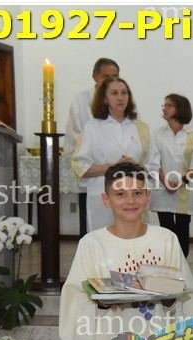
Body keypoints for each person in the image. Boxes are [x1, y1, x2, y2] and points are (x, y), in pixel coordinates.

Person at [56, 162, 193, 340]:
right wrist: (97, 303)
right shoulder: (92, 244)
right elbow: (74, 300)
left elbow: (190, 295)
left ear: (148, 196)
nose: (130, 200)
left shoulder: (166, 240)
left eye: (137, 193)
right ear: (106, 199)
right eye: (120, 194)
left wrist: (171, 301)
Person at [71, 76, 158, 231]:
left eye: (124, 93)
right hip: (103, 197)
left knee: (134, 240)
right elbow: (79, 166)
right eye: (114, 93)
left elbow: (154, 164)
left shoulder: (141, 128)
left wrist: (137, 166)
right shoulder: (92, 127)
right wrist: (112, 167)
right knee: (105, 240)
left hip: (135, 197)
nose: (120, 97)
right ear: (104, 98)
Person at [65, 58, 120, 238]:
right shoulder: (81, 101)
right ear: (95, 76)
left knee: (119, 227)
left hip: (118, 177)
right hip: (92, 173)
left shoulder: (122, 100)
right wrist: (103, 160)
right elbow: (76, 134)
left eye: (115, 76)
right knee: (91, 228)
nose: (111, 80)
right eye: (106, 76)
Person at [150, 94, 193, 258]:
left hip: (184, 192)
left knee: (182, 233)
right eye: (164, 105)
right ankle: (168, 266)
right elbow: (153, 162)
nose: (164, 109)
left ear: (180, 109)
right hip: (162, 190)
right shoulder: (157, 134)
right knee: (166, 233)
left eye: (169, 105)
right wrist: (165, 181)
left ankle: (182, 267)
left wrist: (180, 182)